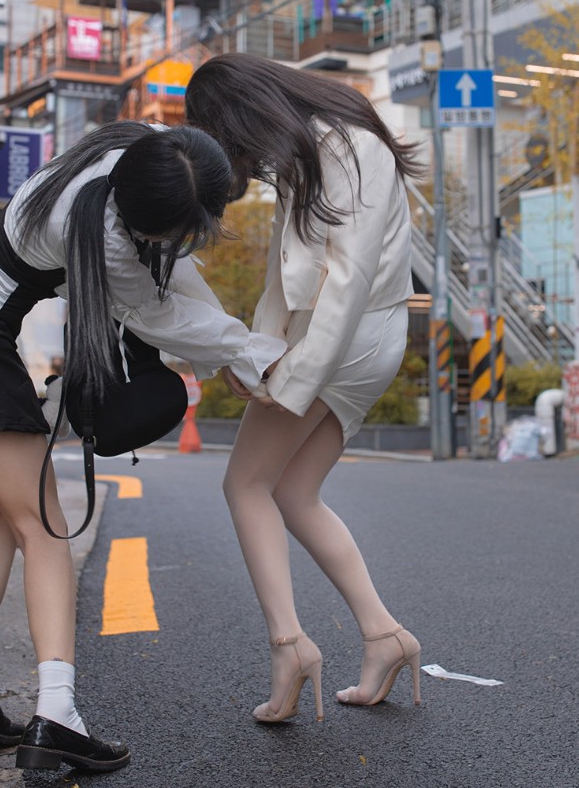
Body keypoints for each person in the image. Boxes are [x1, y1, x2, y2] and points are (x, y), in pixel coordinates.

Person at [0, 120, 286, 771]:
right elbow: (160, 312)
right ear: (145, 219)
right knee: (46, 528)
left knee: (8, 513)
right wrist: (250, 352)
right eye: (172, 235)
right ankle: (58, 713)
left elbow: (174, 282)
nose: (176, 246)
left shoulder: (136, 155)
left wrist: (232, 348)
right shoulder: (107, 240)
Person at [184, 53, 424, 723]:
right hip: (347, 342)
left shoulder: (348, 147)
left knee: (244, 484)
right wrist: (258, 357)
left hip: (345, 342)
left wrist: (288, 378)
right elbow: (282, 280)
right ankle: (384, 635)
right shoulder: (310, 151)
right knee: (292, 491)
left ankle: (289, 646)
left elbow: (346, 283)